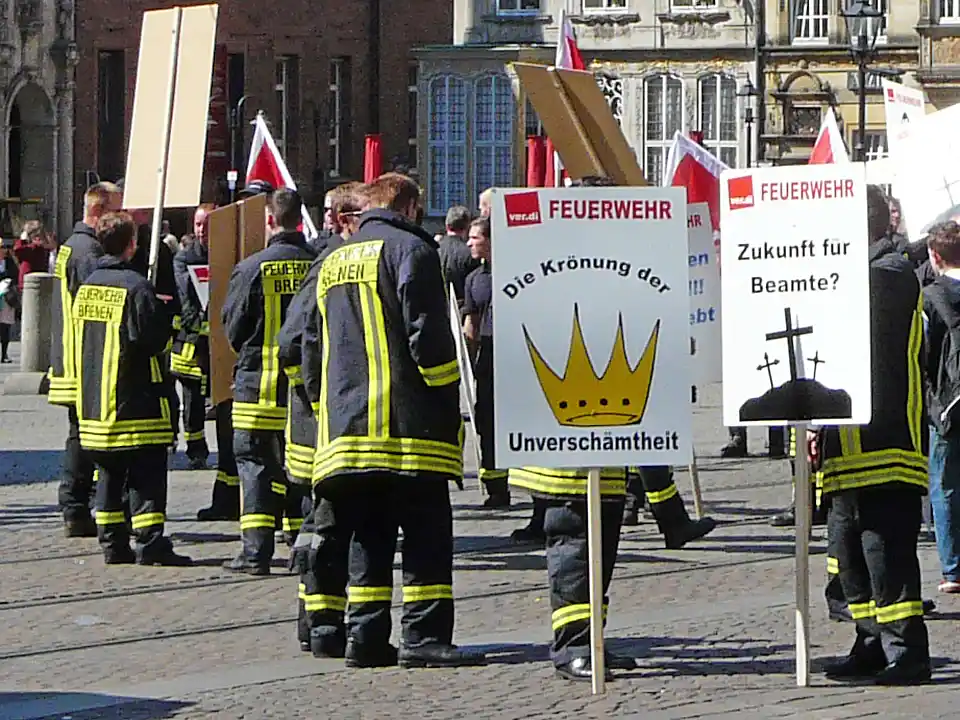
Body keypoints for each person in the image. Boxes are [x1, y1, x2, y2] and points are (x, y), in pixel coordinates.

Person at [300, 172, 484, 669]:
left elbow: (310, 346)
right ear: (409, 206)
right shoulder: (411, 251)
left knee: (369, 534)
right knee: (426, 534)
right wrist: (447, 397)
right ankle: (423, 636)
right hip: (407, 428)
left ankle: (365, 638)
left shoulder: (333, 260)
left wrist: (325, 407)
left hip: (346, 432)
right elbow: (428, 339)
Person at [817, 184, 931, 685]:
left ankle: (908, 651)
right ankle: (870, 640)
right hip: (845, 446)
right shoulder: (862, 271)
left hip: (886, 442)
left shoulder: (889, 272)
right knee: (849, 554)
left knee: (886, 552)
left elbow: (860, 310)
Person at [73, 212, 191, 566]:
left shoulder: (88, 285)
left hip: (96, 403)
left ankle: (112, 543)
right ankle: (150, 542)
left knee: (108, 475)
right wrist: (169, 319)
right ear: (131, 245)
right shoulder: (137, 287)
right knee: (147, 476)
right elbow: (153, 340)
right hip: (136, 401)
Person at [280, 180, 365, 656]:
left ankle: (317, 622)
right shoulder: (328, 265)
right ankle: (320, 624)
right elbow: (292, 343)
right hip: (321, 428)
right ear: (342, 221)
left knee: (323, 526)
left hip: (333, 423)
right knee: (323, 526)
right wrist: (317, 397)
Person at [222, 187, 317, 574]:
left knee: (255, 465)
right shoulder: (319, 264)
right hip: (304, 392)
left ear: (268, 220)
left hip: (256, 388)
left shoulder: (251, 268)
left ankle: (256, 553)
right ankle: (301, 549)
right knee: (301, 469)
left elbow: (233, 327)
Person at [48, 181, 122, 537]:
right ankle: (75, 506)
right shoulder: (87, 251)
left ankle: (76, 505)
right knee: (82, 437)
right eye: (115, 211)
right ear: (97, 212)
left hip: (73, 356)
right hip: (84, 360)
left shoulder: (72, 245)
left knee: (79, 434)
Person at [921, 220, 960, 594]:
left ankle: (953, 568)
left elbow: (923, 354)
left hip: (947, 406)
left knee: (945, 486)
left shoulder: (931, 295)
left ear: (935, 256)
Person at [462, 216, 509, 507]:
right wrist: (466, 358)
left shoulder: (516, 272)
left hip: (514, 357)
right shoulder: (473, 280)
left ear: (491, 240)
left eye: (475, 238)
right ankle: (496, 487)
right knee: (486, 422)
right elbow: (472, 325)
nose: (469, 243)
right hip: (488, 360)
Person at [438, 206, 479, 314]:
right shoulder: (471, 254)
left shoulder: (433, 250)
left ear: (447, 226)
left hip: (438, 312)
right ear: (467, 226)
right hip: (463, 312)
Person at [13, 220, 53, 291]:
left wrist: (22, 240)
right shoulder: (37, 248)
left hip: (29, 285)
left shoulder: (34, 248)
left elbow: (17, 249)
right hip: (32, 283)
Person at [0, 241, 17, 362]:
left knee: (5, 326)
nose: (4, 250)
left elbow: (15, 274)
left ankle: (4, 354)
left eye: (5, 247)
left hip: (6, 297)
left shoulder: (9, 262)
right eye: (2, 247)